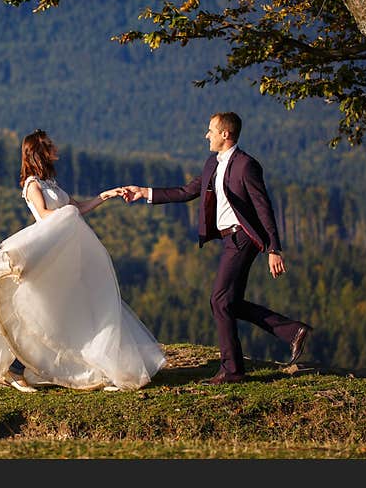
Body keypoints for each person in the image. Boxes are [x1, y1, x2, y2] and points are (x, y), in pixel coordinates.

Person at [0, 129, 165, 392]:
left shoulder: (51, 184)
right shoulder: (32, 185)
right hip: (47, 248)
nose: (55, 149)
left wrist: (106, 195)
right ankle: (16, 366)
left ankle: (94, 365)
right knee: (34, 308)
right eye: (50, 146)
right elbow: (46, 215)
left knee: (76, 307)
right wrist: (68, 212)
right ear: (39, 152)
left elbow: (78, 208)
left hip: (67, 249)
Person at [123, 112, 311, 384]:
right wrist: (144, 192)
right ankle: (293, 332)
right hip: (228, 240)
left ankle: (233, 370)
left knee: (219, 300)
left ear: (226, 134)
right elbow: (186, 191)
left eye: (211, 130)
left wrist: (274, 249)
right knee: (229, 302)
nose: (206, 135)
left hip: (242, 238)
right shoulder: (213, 163)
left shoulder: (246, 165)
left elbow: (263, 207)